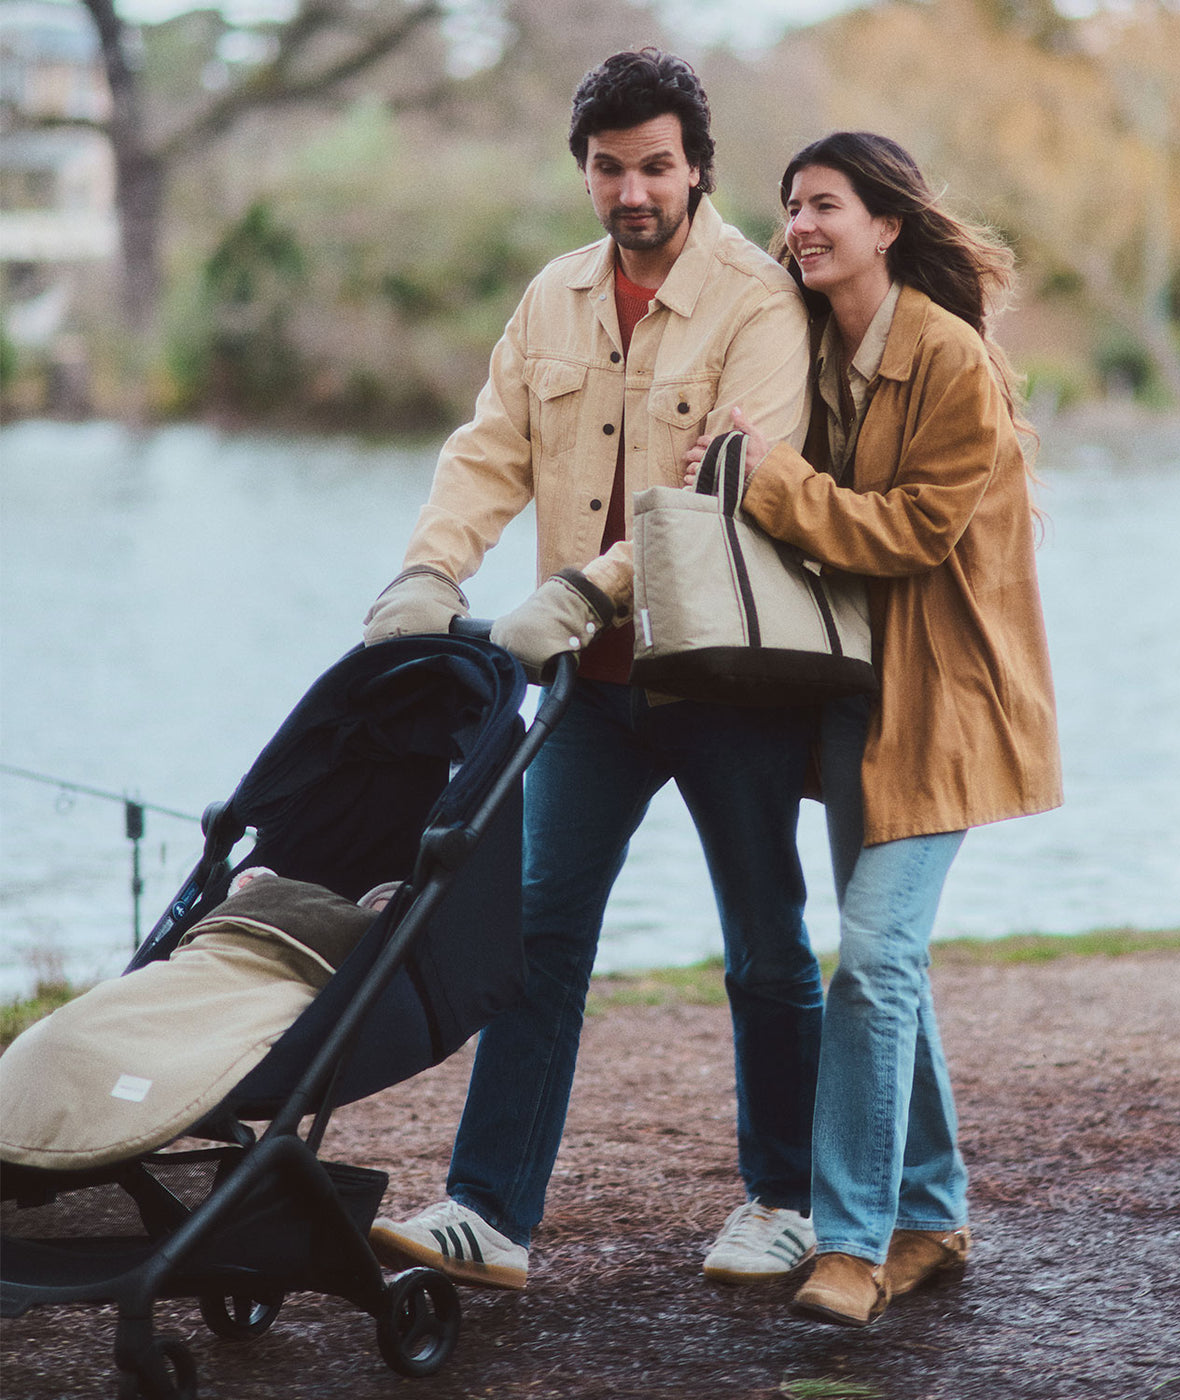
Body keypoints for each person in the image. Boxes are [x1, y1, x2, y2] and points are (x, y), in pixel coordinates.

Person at [361, 48, 825, 1291]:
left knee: (763, 943)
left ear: (695, 169)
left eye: (655, 166)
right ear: (584, 171)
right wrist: (427, 573)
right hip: (589, 696)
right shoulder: (552, 300)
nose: (633, 190)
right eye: (610, 168)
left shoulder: (758, 301)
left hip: (723, 676)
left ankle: (783, 1196)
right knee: (541, 935)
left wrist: (580, 589)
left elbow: (722, 488)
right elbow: (485, 454)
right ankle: (488, 1211)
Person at [684, 131, 1062, 1326]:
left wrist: (765, 481)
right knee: (887, 963)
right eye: (789, 206)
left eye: (823, 205)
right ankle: (934, 1210)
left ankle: (848, 1239)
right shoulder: (817, 347)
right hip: (855, 701)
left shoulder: (948, 360)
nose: (798, 225)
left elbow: (904, 534)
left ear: (886, 223)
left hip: (945, 705)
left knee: (875, 958)